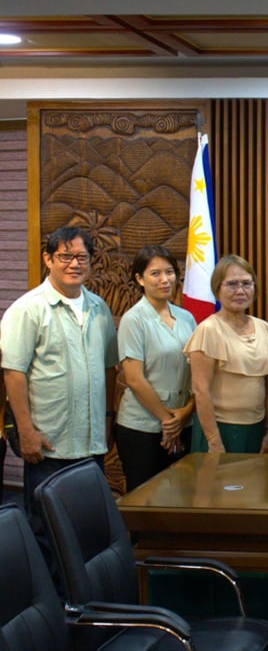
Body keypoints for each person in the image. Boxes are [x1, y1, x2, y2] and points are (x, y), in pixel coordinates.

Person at [0, 226, 117, 528]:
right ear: (48, 259)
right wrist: (26, 432)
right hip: (48, 445)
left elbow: (108, 368)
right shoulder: (28, 309)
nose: (74, 264)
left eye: (82, 257)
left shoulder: (99, 308)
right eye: (65, 256)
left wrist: (107, 418)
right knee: (48, 529)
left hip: (91, 443)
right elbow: (13, 373)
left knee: (87, 526)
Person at [115, 245, 196, 490]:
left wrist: (184, 414)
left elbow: (197, 374)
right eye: (155, 273)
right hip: (142, 427)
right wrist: (167, 421)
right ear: (139, 279)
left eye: (169, 272)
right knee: (146, 497)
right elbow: (134, 379)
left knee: (181, 496)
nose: (164, 279)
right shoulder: (133, 319)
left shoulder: (186, 318)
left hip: (183, 422)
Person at [184, 254, 268, 454]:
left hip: (256, 428)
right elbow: (200, 390)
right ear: (217, 289)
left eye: (246, 283)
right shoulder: (208, 330)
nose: (240, 291)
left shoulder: (265, 328)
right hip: (218, 430)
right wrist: (214, 441)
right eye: (232, 284)